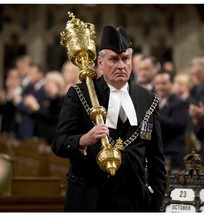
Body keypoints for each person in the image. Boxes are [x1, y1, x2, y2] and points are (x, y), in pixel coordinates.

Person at [52, 25, 166, 212]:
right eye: (114, 59)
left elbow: (156, 158)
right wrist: (83, 140)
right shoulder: (80, 94)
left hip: (134, 200)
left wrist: (155, 198)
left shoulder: (148, 99)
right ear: (101, 63)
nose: (121, 65)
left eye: (125, 59)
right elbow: (59, 143)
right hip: (90, 198)